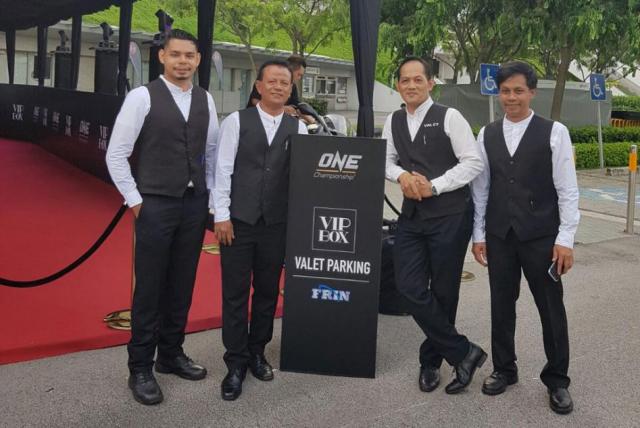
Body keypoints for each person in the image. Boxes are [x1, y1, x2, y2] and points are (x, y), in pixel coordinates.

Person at [106, 29, 219, 406]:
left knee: (182, 282)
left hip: (194, 204)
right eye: (176, 55)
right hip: (155, 204)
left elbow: (212, 151)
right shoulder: (142, 97)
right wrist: (136, 201)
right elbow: (116, 154)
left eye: (189, 55)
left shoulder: (205, 99)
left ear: (198, 60)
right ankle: (140, 367)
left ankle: (170, 353)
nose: (182, 61)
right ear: (162, 57)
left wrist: (210, 197)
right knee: (150, 288)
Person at [471, 61, 579, 414]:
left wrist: (566, 239)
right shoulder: (486, 134)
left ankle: (557, 380)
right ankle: (505, 368)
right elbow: (481, 188)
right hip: (500, 234)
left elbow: (568, 189)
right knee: (501, 305)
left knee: (551, 308)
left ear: (532, 92)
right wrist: (479, 234)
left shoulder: (554, 132)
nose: (511, 97)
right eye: (505, 91)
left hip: (541, 236)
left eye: (518, 90)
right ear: (498, 93)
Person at [384, 56, 487, 395]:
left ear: (431, 83)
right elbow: (386, 160)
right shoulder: (394, 120)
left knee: (444, 292)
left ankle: (430, 361)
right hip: (412, 217)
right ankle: (463, 352)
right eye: (405, 80)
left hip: (450, 216)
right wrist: (401, 175)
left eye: (418, 79)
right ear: (398, 85)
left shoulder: (449, 117)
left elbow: (473, 162)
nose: (411, 85)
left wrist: (435, 185)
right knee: (408, 287)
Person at [213, 59, 307, 401]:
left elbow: (303, 179)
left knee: (267, 292)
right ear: (259, 85)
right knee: (235, 294)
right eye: (273, 81)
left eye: (285, 83)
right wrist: (221, 215)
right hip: (238, 222)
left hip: (276, 224)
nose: (279, 87)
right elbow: (222, 169)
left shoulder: (299, 129)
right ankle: (235, 362)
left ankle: (257, 352)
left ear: (291, 88)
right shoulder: (237, 121)